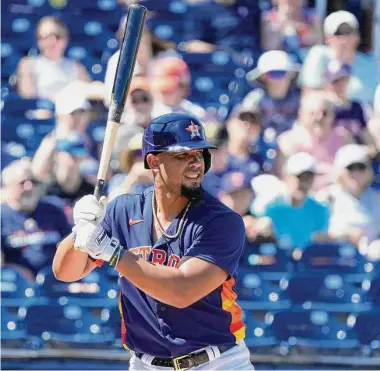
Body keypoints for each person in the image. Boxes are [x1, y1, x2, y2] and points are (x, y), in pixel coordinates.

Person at [53, 113, 254, 370]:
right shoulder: (123, 210)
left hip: (216, 362)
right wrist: (80, 230)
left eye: (200, 154)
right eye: (182, 155)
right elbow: (65, 271)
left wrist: (112, 252)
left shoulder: (222, 221)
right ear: (154, 161)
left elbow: (182, 292)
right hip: (146, 363)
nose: (196, 163)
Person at [1, 158, 72, 278]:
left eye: (33, 182)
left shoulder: (54, 210)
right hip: (16, 287)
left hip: (55, 282)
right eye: (22, 183)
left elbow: (70, 248)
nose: (29, 187)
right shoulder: (2, 216)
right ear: (8, 186)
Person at [250, 152, 330, 250]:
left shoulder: (320, 209)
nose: (303, 183)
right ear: (287, 177)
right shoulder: (270, 207)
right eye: (299, 177)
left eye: (308, 178)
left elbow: (321, 243)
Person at [277, 90, 354, 191]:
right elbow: (286, 178)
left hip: (337, 194)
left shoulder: (344, 138)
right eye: (312, 113)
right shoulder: (288, 141)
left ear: (333, 115)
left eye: (325, 113)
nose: (319, 117)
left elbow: (354, 174)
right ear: (301, 115)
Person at [299, 10, 380, 105]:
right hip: (326, 116)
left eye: (348, 32)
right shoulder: (318, 55)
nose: (344, 39)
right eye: (338, 33)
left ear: (357, 36)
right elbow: (308, 96)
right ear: (327, 38)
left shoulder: (370, 64)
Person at [16, 16, 92, 100]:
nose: (51, 41)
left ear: (66, 38)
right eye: (44, 37)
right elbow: (28, 97)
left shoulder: (76, 66)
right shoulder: (28, 64)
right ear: (38, 41)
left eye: (57, 36)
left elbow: (90, 92)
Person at [323, 144, 380, 253]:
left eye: (361, 167)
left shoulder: (375, 198)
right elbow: (318, 234)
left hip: (371, 261)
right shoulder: (328, 197)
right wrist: (346, 234)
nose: (356, 173)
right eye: (351, 168)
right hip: (336, 260)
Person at [242, 50, 301, 136]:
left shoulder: (300, 99)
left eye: (283, 73)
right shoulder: (256, 99)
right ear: (263, 77)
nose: (280, 80)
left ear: (291, 75)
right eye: (274, 74)